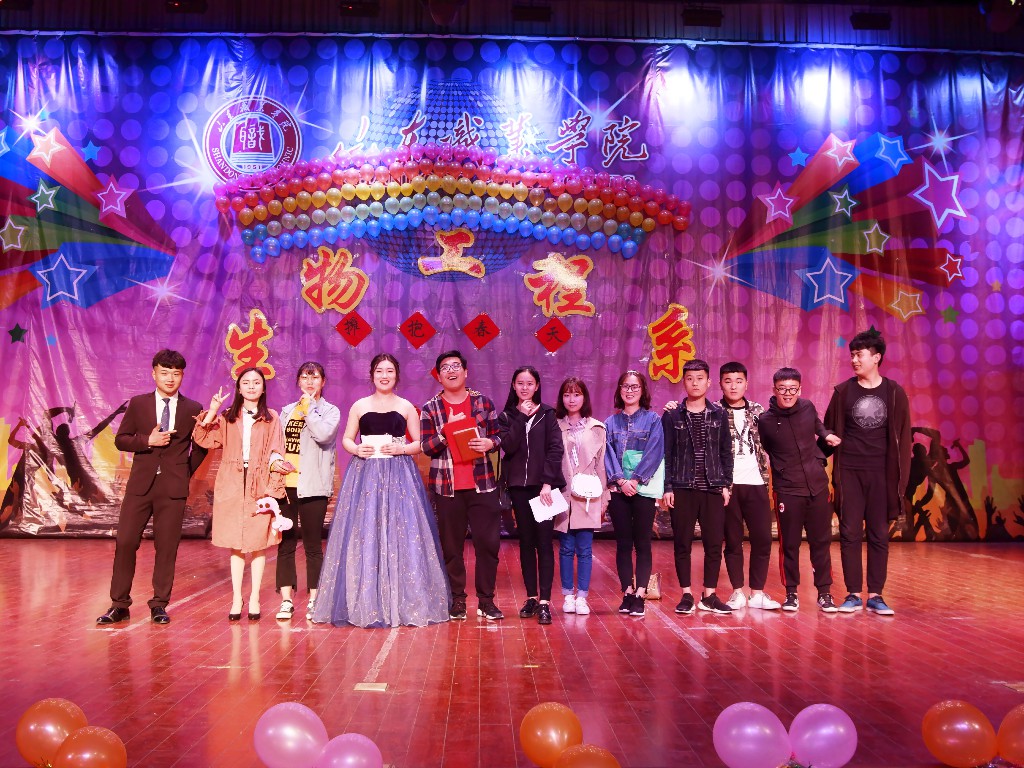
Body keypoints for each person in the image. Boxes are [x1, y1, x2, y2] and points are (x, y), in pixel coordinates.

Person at [313, 354, 449, 627]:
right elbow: (347, 439)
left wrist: (401, 448)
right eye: (379, 371)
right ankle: (366, 600)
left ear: (397, 375)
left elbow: (420, 444)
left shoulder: (406, 406)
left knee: (401, 532)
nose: (384, 376)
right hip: (365, 475)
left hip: (399, 475)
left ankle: (401, 601)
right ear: (372, 375)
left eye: (389, 371)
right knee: (366, 532)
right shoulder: (360, 405)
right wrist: (356, 448)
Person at [96, 350, 207, 626]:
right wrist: (148, 441)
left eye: (176, 373)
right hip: (141, 485)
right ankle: (119, 604)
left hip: (173, 487)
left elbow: (201, 446)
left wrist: (184, 472)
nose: (170, 378)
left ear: (182, 376)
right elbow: (121, 439)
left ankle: (159, 604)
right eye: (164, 372)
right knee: (125, 541)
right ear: (154, 373)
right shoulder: (138, 404)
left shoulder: (193, 408)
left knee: (166, 547)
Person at [825, 330, 911, 616]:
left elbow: (903, 437)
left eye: (859, 355)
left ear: (876, 358)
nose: (854, 360)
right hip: (850, 471)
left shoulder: (894, 392)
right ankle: (852, 594)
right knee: (849, 533)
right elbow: (828, 429)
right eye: (852, 355)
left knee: (878, 534)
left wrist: (900, 481)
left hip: (881, 474)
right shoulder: (843, 392)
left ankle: (876, 595)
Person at [193, 367, 289, 621]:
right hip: (232, 482)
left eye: (256, 382)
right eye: (246, 382)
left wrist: (273, 486)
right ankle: (237, 597)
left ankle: (254, 597)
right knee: (236, 544)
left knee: (258, 543)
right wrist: (212, 410)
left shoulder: (271, 417)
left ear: (264, 388)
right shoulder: (227, 417)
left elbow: (277, 451)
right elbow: (203, 438)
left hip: (259, 482)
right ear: (238, 388)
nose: (251, 386)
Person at [420, 350, 504, 621]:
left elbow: (498, 436)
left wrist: (490, 443)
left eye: (456, 366)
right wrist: (447, 431)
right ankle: (457, 600)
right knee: (451, 547)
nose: (451, 371)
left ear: (466, 372)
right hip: (447, 487)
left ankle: (486, 601)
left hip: (483, 485)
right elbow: (426, 447)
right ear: (438, 376)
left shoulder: (483, 403)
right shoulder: (430, 408)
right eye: (445, 367)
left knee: (487, 544)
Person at [757, 368, 842, 613]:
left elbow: (820, 428)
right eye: (782, 389)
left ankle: (824, 593)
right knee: (790, 544)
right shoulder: (766, 420)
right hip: (788, 489)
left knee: (821, 542)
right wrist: (783, 470)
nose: (788, 394)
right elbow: (767, 448)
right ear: (774, 390)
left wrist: (826, 440)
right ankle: (791, 593)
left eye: (793, 389)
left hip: (817, 487)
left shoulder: (807, 407)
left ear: (800, 389)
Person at [661, 359, 734, 616]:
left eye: (700, 378)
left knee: (714, 543)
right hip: (682, 487)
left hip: (713, 487)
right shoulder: (672, 415)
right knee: (682, 543)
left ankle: (709, 595)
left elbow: (726, 452)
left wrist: (726, 484)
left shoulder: (719, 414)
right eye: (690, 378)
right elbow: (666, 454)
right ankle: (686, 594)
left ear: (708, 382)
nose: (695, 383)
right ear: (684, 382)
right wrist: (667, 487)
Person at [497, 366, 565, 625]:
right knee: (525, 542)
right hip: (518, 487)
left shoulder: (548, 414)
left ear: (537, 386)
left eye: (529, 383)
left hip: (543, 488)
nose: (525, 388)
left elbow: (555, 449)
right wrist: (521, 418)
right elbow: (508, 446)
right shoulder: (506, 416)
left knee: (544, 542)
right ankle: (531, 597)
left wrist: (547, 483)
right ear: (513, 386)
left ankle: (545, 601)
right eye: (520, 383)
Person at [274, 362, 341, 622]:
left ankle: (315, 599)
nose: (309, 382)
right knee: (286, 544)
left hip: (313, 486)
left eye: (315, 377)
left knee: (313, 545)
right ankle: (286, 600)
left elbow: (323, 435)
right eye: (304, 377)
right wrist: (275, 463)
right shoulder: (287, 411)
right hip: (286, 485)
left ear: (323, 381)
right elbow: (276, 445)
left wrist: (309, 408)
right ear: (298, 381)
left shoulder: (330, 411)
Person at [718, 362, 779, 611]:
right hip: (728, 486)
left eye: (738, 381)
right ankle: (737, 592)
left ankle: (757, 593)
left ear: (746, 383)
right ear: (720, 384)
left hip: (756, 483)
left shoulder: (758, 411)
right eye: (728, 381)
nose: (733, 386)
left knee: (762, 539)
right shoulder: (714, 411)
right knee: (733, 541)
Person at [604, 370, 664, 618]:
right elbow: (607, 453)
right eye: (625, 386)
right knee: (623, 543)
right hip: (619, 491)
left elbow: (655, 452)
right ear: (619, 390)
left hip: (643, 489)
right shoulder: (610, 422)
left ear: (643, 390)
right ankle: (627, 592)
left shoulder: (653, 420)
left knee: (643, 543)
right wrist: (620, 480)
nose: (629, 391)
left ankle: (640, 594)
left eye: (635, 387)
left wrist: (636, 480)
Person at [554, 377, 609, 617]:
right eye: (567, 394)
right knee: (566, 547)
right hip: (564, 493)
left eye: (577, 394)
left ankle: (582, 598)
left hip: (589, 494)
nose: (572, 399)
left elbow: (601, 464)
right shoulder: (555, 426)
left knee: (585, 549)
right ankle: (568, 595)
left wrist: (605, 496)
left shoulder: (597, 428)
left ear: (584, 397)